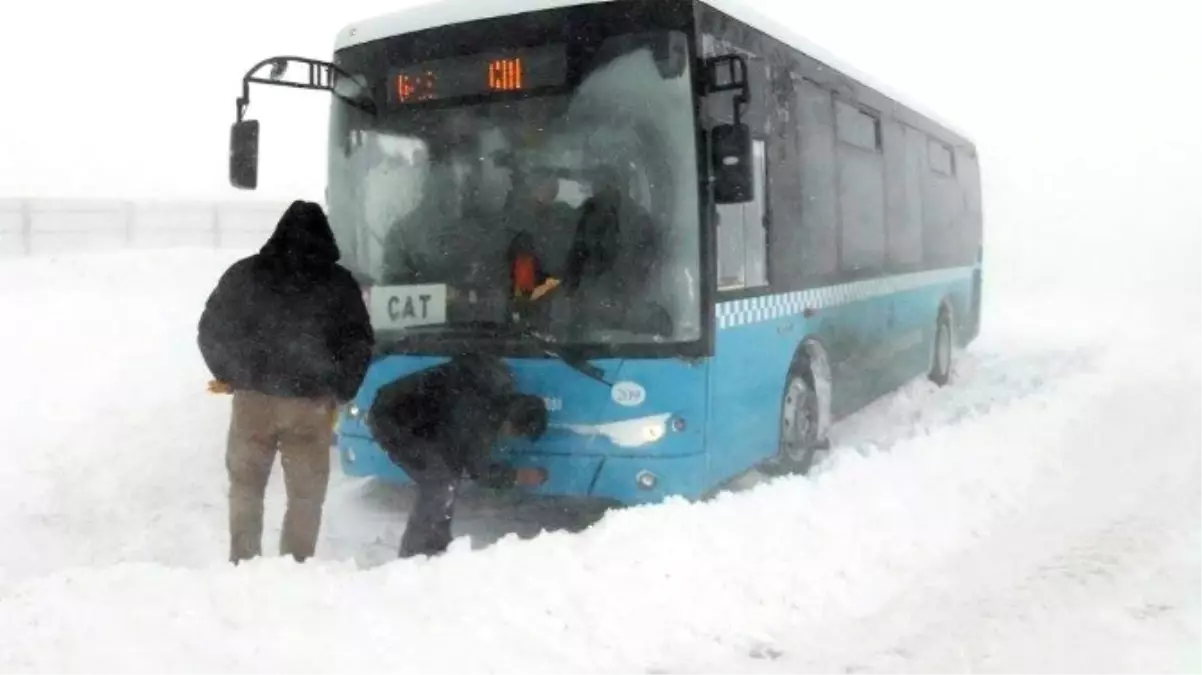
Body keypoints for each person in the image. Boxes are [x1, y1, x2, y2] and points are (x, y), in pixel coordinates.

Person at [197, 200, 374, 564]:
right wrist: (341, 388)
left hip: (253, 401)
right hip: (309, 405)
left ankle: (243, 560)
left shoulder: (245, 274)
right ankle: (296, 565)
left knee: (246, 486)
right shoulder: (338, 283)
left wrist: (231, 374)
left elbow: (211, 329)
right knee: (305, 494)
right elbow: (359, 341)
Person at [366, 353, 548, 558]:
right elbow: (479, 471)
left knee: (449, 474)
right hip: (393, 419)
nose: (512, 438)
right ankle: (413, 554)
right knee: (439, 481)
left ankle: (437, 545)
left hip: (416, 420)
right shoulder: (479, 412)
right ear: (512, 419)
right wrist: (517, 476)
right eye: (518, 433)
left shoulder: (489, 397)